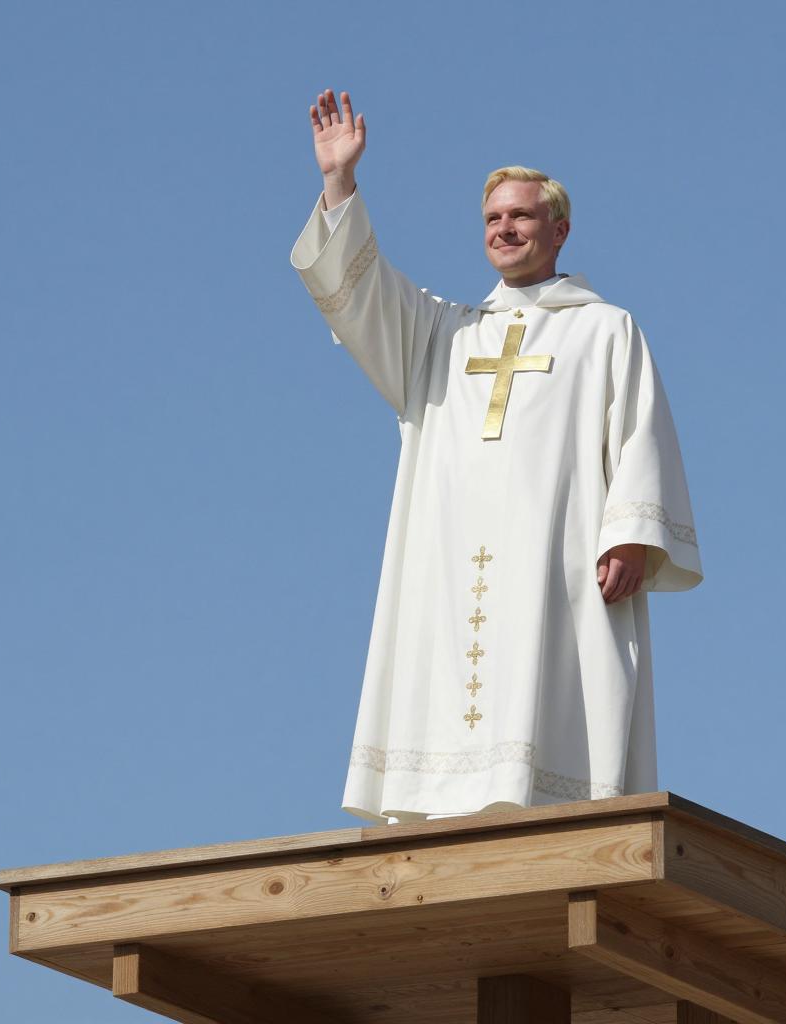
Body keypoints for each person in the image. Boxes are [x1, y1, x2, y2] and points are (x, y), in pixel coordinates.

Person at [291, 89, 703, 825]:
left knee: (548, 703)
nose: (504, 229)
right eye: (492, 219)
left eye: (521, 216)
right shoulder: (442, 334)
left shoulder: (605, 330)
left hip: (556, 564)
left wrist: (633, 535)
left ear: (560, 230)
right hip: (447, 563)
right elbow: (358, 298)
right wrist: (339, 183)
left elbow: (640, 433)